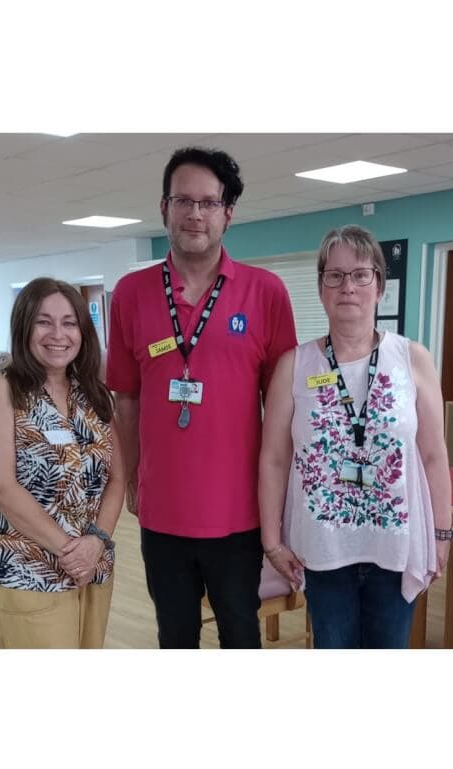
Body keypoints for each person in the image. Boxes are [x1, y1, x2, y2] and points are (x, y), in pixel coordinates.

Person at [107, 147, 297, 648]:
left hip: (239, 511)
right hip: (162, 509)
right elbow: (126, 400)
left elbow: (282, 411)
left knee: (240, 633)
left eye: (209, 203)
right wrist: (131, 477)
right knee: (175, 635)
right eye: (183, 201)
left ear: (227, 213)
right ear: (163, 208)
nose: (195, 213)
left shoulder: (266, 292)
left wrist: (279, 499)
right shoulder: (130, 294)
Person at [258, 225, 453, 649]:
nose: (348, 286)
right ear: (321, 289)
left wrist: (442, 534)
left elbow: (434, 455)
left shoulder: (412, 359)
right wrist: (271, 541)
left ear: (379, 286)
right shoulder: (295, 366)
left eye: (360, 275)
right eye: (335, 275)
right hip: (323, 548)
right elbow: (274, 458)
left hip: (395, 546)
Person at [0, 277, 124, 648]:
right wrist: (70, 551)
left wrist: (96, 543)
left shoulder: (93, 393)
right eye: (44, 322)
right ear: (24, 327)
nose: (58, 334)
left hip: (93, 568)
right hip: (29, 570)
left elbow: (118, 478)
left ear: (83, 332)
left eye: (69, 323)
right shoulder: (0, 387)